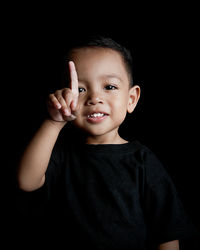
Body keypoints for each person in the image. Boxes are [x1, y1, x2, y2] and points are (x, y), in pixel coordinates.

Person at [16, 36, 197, 249]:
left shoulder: (142, 160)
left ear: (131, 99)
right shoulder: (62, 155)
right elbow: (26, 181)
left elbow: (167, 232)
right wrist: (54, 121)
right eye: (81, 89)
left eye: (109, 86)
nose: (94, 98)